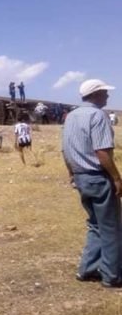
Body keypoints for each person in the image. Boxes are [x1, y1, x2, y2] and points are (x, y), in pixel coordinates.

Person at [63, 79, 122, 288]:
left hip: (81, 177)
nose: (108, 95)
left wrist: (72, 173)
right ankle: (112, 275)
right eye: (105, 92)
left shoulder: (72, 116)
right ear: (96, 94)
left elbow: (66, 149)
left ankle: (87, 269)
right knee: (111, 227)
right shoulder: (98, 115)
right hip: (98, 177)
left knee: (95, 224)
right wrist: (117, 178)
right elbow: (102, 152)